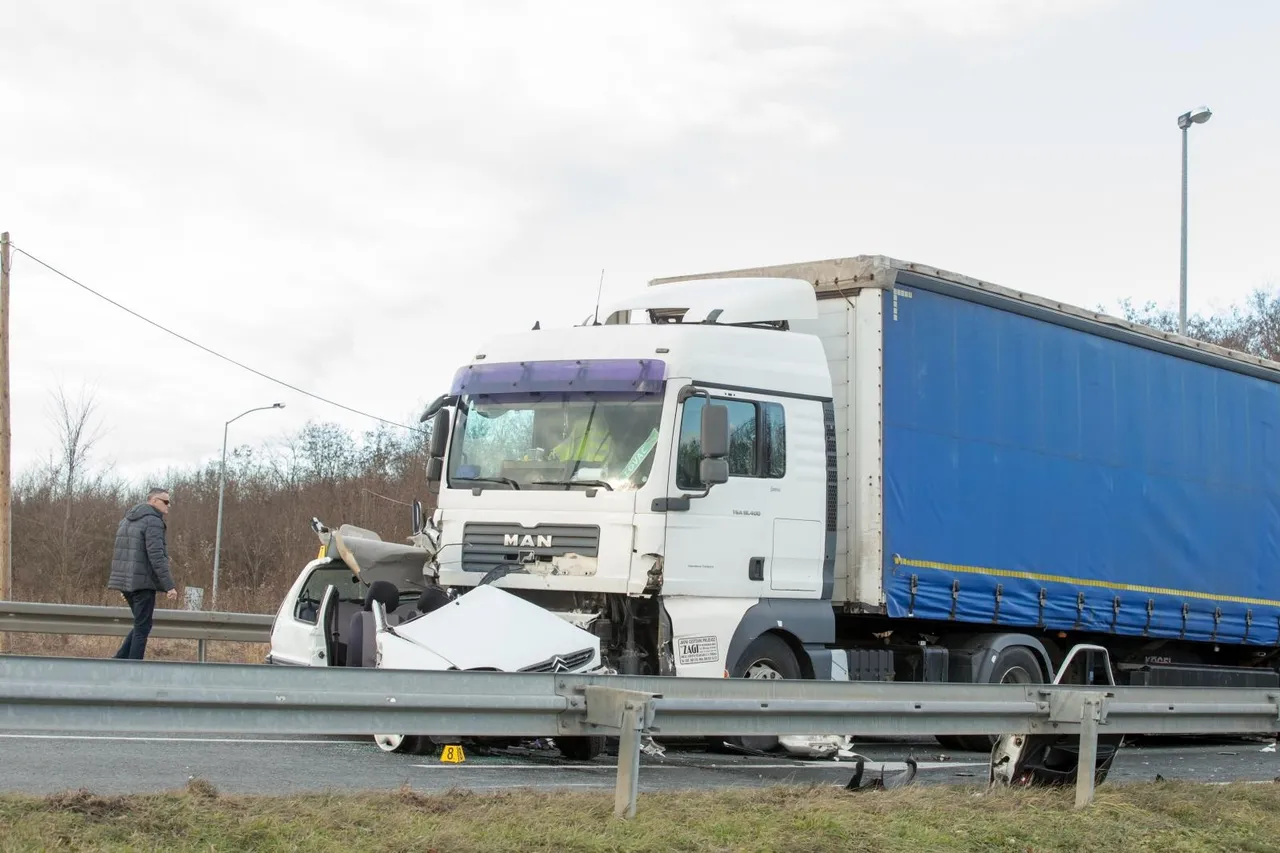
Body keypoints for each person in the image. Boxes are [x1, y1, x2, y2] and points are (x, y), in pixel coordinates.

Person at [108, 487, 178, 660]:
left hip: (127, 583)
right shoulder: (153, 521)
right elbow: (156, 556)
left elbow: (123, 553)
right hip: (143, 583)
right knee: (142, 628)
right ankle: (133, 672)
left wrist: (125, 583)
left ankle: (117, 662)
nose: (168, 506)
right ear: (154, 501)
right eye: (165, 502)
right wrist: (169, 586)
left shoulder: (127, 519)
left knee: (142, 625)